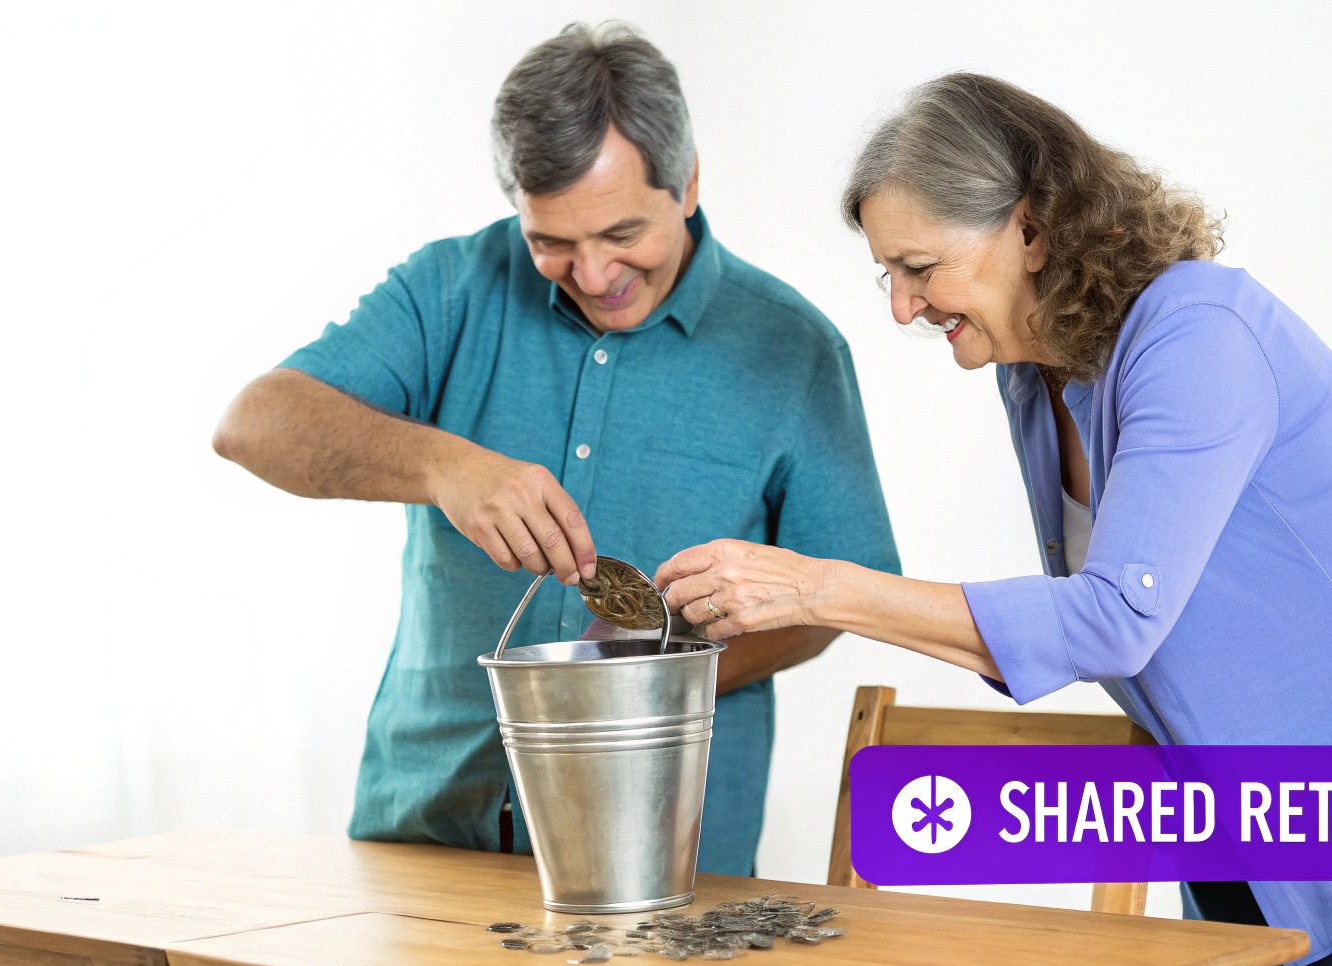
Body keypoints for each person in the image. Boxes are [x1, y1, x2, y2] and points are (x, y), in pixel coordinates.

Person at [654, 72, 1332, 966]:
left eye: (920, 267)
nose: (902, 308)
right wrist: (818, 595)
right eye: (889, 274)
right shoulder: (1033, 377)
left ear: (1030, 230)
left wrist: (818, 588)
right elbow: (1081, 636)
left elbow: (1118, 619)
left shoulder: (1199, 330)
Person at [211, 22, 897, 876]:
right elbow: (254, 422)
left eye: (621, 234)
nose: (595, 272)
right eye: (552, 243)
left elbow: (846, 592)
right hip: (425, 834)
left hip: (664, 854)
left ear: (686, 183)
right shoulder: (449, 288)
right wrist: (447, 467)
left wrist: (649, 680)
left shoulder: (792, 348)